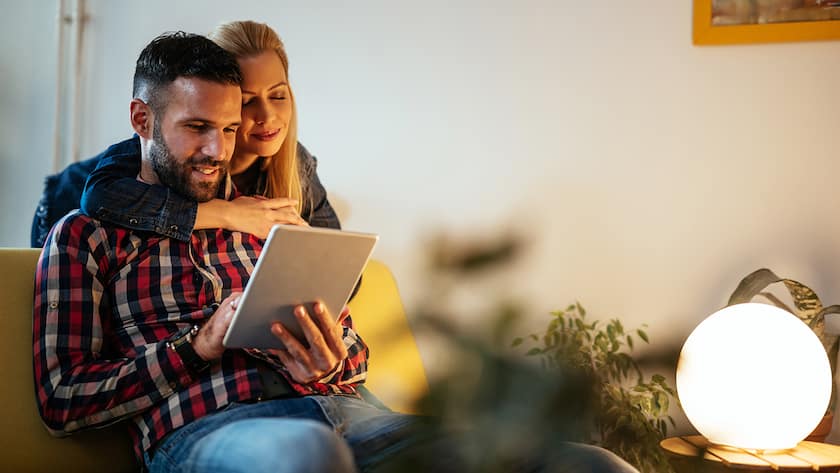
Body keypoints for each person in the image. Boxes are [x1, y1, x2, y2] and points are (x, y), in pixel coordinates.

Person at [34, 25, 639, 473]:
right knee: (307, 453)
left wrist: (327, 362)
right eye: (196, 128)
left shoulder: (269, 215)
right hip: (211, 428)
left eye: (229, 128)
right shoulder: (86, 235)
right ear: (141, 119)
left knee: (592, 465)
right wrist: (198, 347)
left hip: (350, 415)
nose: (218, 151)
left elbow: (353, 357)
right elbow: (63, 402)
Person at [30, 21, 337, 249]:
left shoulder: (295, 162)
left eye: (279, 95)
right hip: (59, 208)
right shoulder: (167, 152)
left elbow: (344, 266)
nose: (268, 116)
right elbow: (100, 196)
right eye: (246, 101)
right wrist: (227, 213)